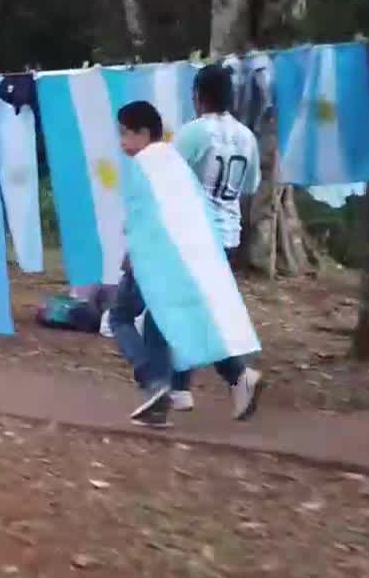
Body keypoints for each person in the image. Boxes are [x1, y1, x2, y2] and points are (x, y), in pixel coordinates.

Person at [109, 101, 263, 428]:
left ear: (143, 133)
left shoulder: (144, 164)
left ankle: (156, 383)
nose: (121, 141)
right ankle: (233, 376)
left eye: (125, 133)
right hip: (190, 251)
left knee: (120, 315)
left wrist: (134, 256)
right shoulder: (172, 160)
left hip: (156, 258)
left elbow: (143, 217)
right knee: (173, 320)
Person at [161, 64, 264, 413]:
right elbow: (249, 187)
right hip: (226, 234)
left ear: (198, 96)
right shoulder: (247, 136)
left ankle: (231, 376)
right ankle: (183, 386)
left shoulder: (193, 133)